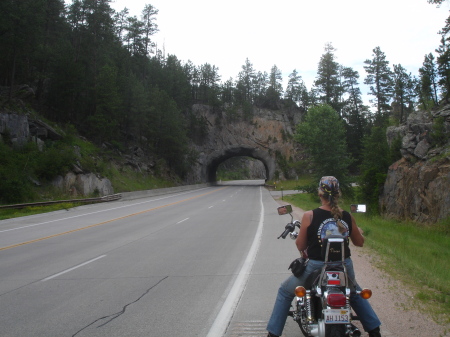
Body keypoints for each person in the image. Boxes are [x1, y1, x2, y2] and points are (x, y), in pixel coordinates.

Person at [266, 176, 382, 337]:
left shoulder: (310, 216)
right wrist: (358, 232)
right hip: (343, 265)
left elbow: (300, 246)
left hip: (316, 266)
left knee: (285, 292)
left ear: (320, 193)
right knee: (352, 291)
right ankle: (374, 330)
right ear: (337, 194)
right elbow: (359, 243)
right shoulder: (347, 216)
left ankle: (273, 334)